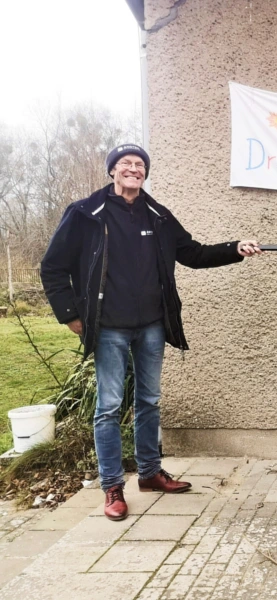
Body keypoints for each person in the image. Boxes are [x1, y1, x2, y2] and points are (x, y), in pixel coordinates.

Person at [40, 144, 263, 521]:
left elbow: (193, 253)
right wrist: (71, 317)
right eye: (125, 163)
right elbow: (53, 268)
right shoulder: (85, 214)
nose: (133, 169)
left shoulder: (158, 215)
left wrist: (234, 249)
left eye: (139, 165)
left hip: (151, 326)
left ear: (145, 173)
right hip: (108, 326)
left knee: (149, 401)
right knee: (109, 407)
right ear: (112, 171)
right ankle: (112, 486)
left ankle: (149, 473)